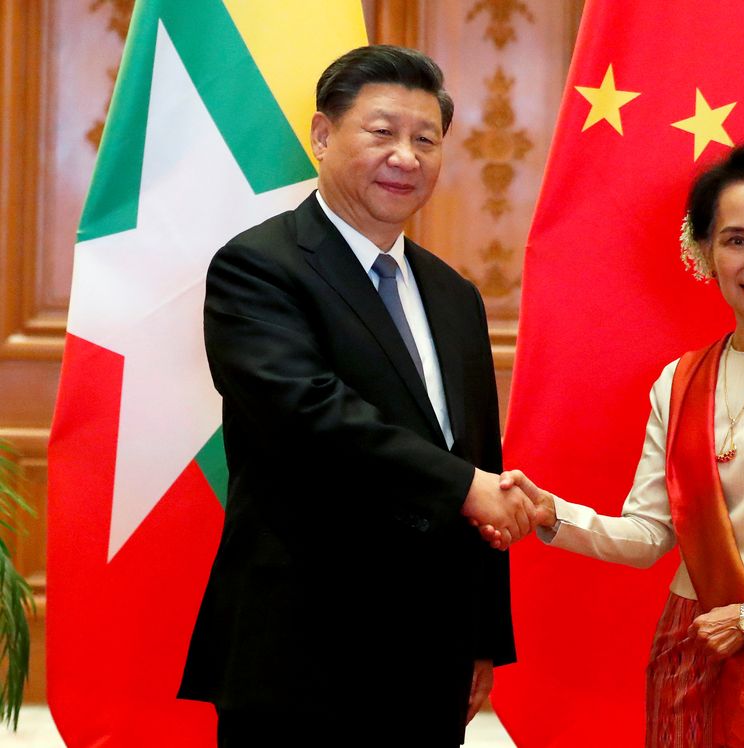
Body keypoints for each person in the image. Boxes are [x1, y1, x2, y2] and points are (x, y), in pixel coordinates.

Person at [178, 45, 537, 746]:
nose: (406, 156)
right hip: (299, 657)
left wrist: (482, 638)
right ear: (321, 135)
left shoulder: (454, 295)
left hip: (427, 661)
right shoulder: (259, 268)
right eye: (382, 132)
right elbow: (310, 417)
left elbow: (478, 457)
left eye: (425, 140)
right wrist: (466, 485)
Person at [496, 144, 744, 747]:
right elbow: (649, 536)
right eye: (735, 240)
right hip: (695, 637)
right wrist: (554, 515)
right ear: (706, 253)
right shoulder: (680, 380)